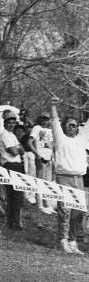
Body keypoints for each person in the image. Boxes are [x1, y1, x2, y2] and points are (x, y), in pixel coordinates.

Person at [50, 98, 88, 254]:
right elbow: (54, 121)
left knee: (79, 211)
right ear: (64, 126)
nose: (73, 127)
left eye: (75, 125)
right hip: (64, 177)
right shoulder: (61, 139)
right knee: (64, 210)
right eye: (69, 125)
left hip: (79, 178)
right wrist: (53, 105)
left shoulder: (82, 139)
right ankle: (62, 240)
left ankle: (73, 241)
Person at [0, 111, 26, 229]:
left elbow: (23, 150)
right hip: (10, 165)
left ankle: (13, 222)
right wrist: (18, 148)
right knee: (15, 195)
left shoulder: (12, 135)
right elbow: (15, 151)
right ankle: (14, 223)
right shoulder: (4, 134)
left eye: (13, 122)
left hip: (17, 165)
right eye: (8, 122)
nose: (11, 124)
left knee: (17, 196)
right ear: (4, 123)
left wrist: (18, 148)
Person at [27, 113, 55, 214]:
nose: (44, 121)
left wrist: (53, 158)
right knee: (39, 181)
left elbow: (51, 145)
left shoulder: (50, 130)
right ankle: (40, 204)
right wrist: (37, 155)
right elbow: (29, 143)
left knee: (47, 182)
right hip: (41, 158)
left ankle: (47, 203)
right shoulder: (36, 128)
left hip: (49, 159)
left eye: (46, 119)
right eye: (42, 119)